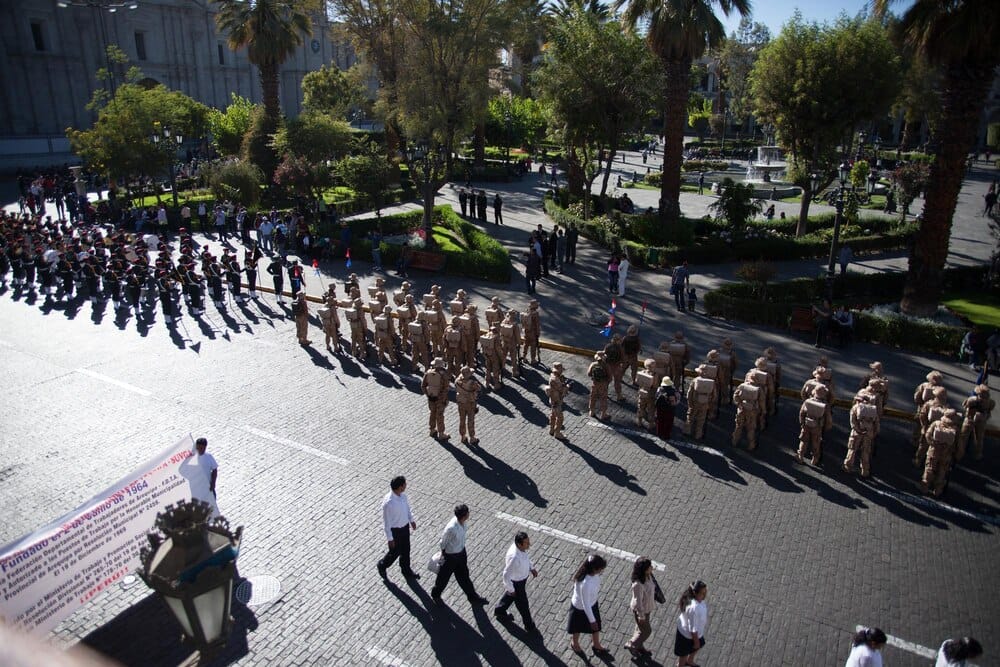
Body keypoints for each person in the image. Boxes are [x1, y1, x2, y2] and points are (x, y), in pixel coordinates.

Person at [430, 504, 489, 607]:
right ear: (464, 516)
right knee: (443, 578)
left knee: (464, 576)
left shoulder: (463, 523)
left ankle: (472, 596)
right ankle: (435, 593)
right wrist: (444, 553)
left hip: (461, 553)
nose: (469, 514)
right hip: (451, 557)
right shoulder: (451, 528)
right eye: (467, 513)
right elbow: (443, 542)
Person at [493, 531, 540, 637]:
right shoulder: (514, 557)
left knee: (510, 597)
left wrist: (531, 568)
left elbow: (526, 558)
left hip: (521, 581)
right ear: (519, 544)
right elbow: (506, 575)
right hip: (516, 583)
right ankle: (529, 625)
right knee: (523, 605)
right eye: (526, 543)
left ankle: (499, 610)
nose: (529, 544)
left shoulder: (521, 549)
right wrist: (511, 589)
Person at [377, 476, 420, 580]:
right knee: (394, 552)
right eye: (405, 484)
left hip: (404, 528)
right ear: (400, 487)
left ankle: (406, 569)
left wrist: (411, 520)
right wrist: (390, 539)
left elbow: (407, 509)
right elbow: (387, 523)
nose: (406, 485)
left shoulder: (403, 496)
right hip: (395, 531)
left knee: (406, 550)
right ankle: (382, 564)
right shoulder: (389, 503)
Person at [567, 554, 610, 658]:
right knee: (577, 628)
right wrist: (592, 620)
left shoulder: (592, 574)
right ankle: (575, 643)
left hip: (592, 604)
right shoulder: (585, 584)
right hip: (580, 608)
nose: (601, 571)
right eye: (600, 569)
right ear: (594, 569)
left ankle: (596, 644)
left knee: (596, 627)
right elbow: (585, 604)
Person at [625, 557, 657, 658]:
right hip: (642, 610)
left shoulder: (647, 575)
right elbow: (638, 602)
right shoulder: (638, 584)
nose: (652, 568)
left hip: (647, 607)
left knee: (640, 628)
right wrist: (641, 616)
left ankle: (639, 646)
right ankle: (633, 644)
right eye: (649, 567)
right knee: (646, 631)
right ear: (644, 569)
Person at [674, 580, 708, 667]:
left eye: (705, 592)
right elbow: (693, 629)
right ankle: (681, 665)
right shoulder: (694, 608)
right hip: (687, 635)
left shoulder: (693, 599)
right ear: (695, 593)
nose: (705, 595)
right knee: (684, 654)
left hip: (694, 634)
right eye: (702, 593)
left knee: (698, 646)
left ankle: (689, 661)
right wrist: (696, 642)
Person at [188, 437, 218, 507]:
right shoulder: (191, 458)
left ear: (205, 447)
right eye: (198, 448)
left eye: (202, 448)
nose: (200, 450)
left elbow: (214, 469)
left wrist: (213, 483)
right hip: (196, 488)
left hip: (208, 486)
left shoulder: (209, 457)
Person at [546, 362, 570, 438]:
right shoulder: (555, 379)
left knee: (553, 415)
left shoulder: (554, 376)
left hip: (553, 399)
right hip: (556, 400)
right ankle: (557, 433)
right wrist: (567, 387)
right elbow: (560, 389)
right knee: (560, 417)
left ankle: (551, 429)